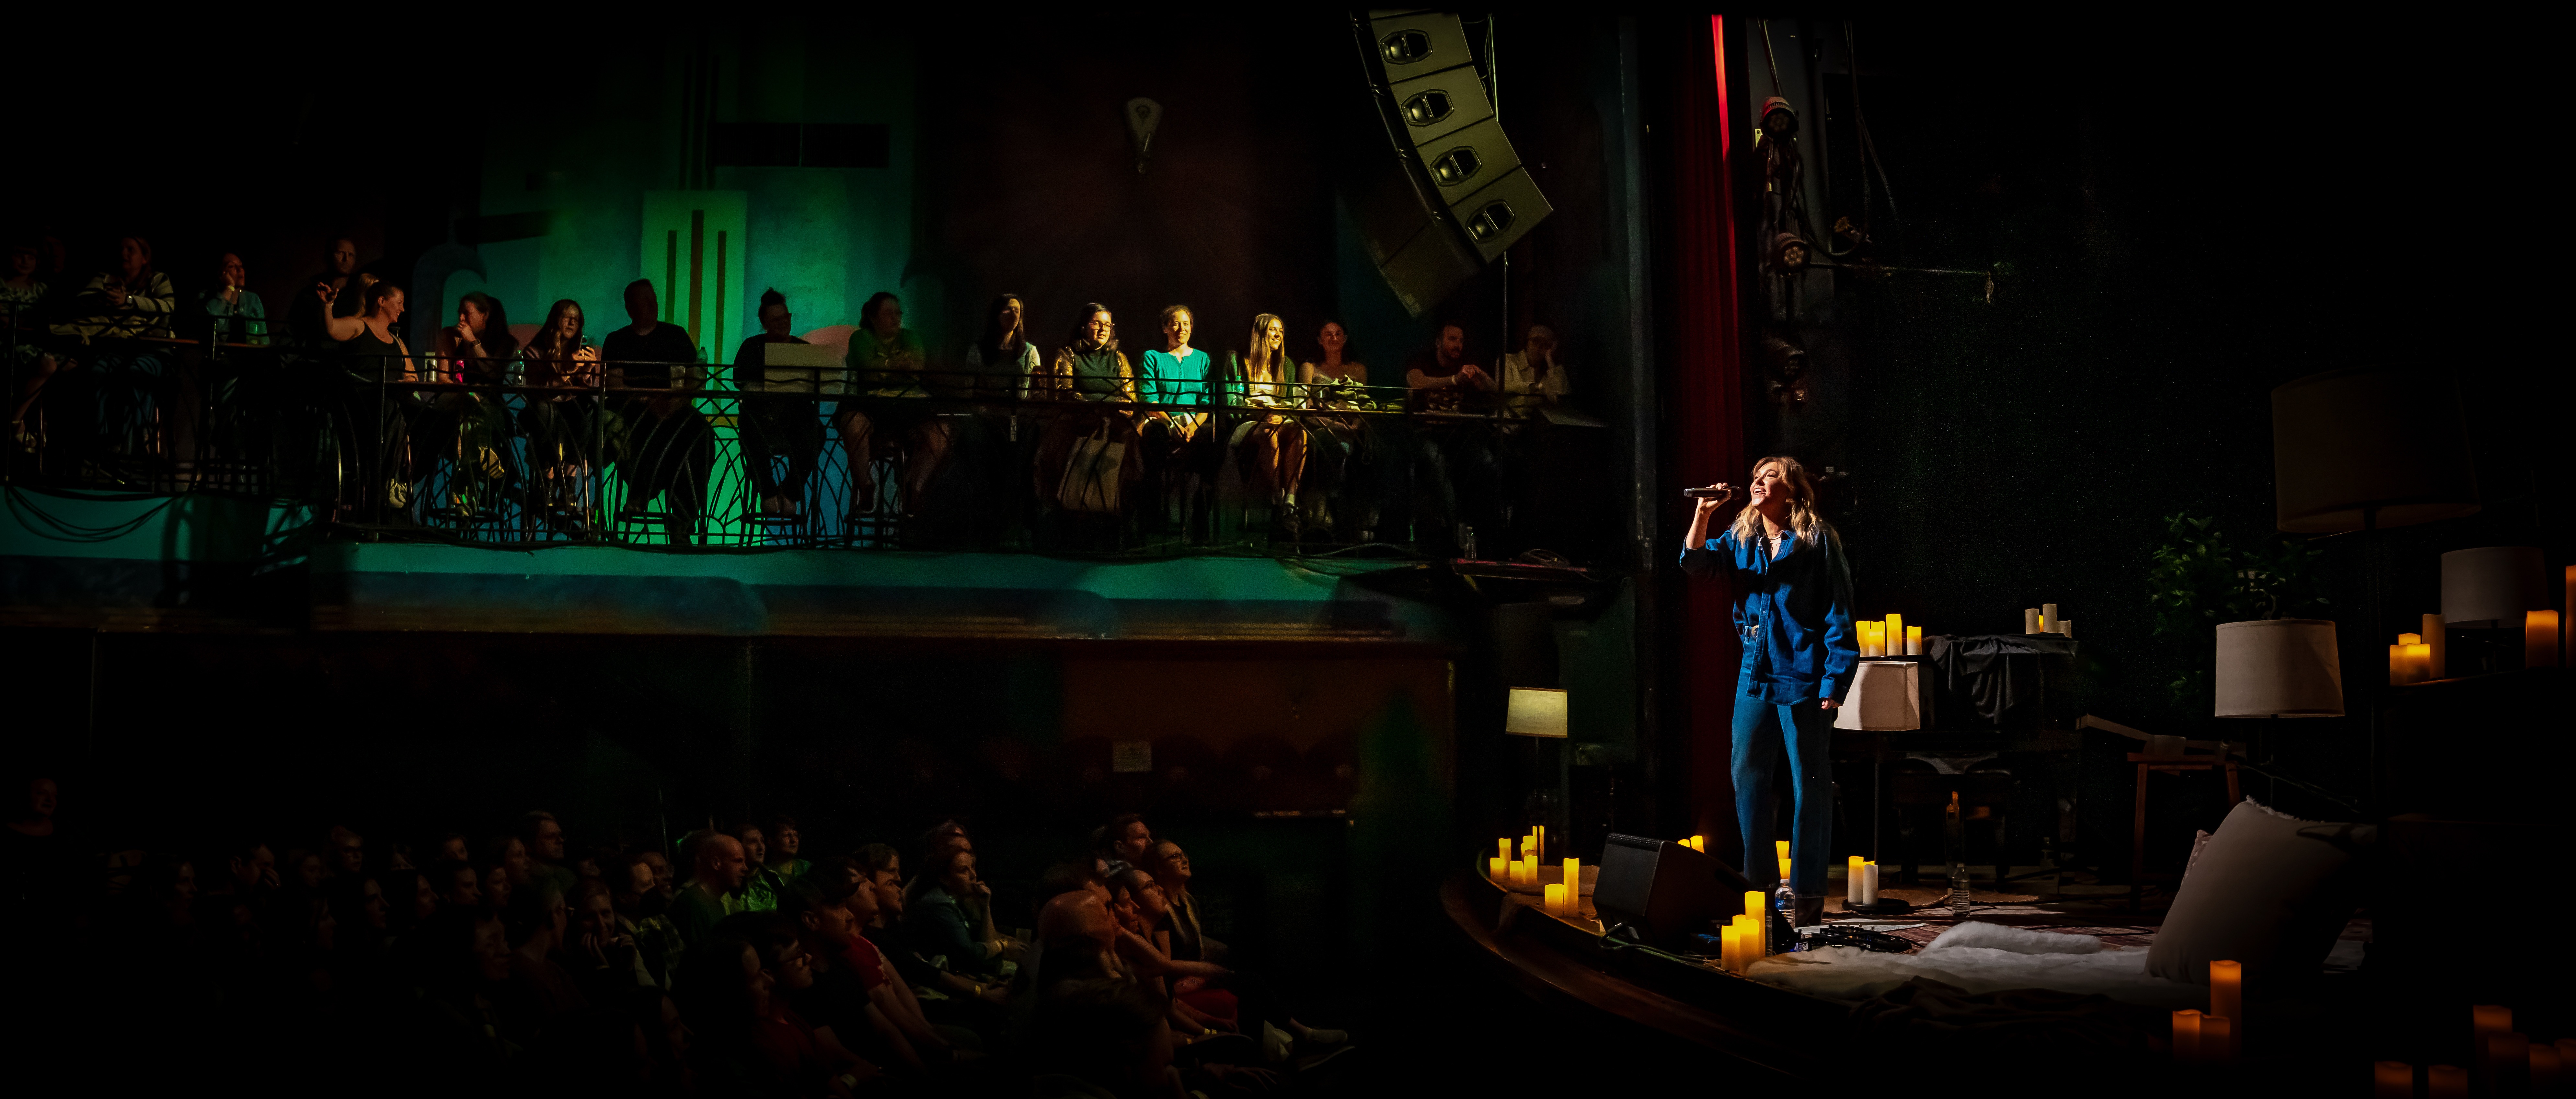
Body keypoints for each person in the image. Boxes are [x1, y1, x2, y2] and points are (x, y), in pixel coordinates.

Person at [1678, 455, 1857, 929]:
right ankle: (1757, 887)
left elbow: (1839, 610)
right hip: (1755, 671)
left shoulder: (1818, 540)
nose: (1758, 482)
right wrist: (1703, 513)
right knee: (1747, 773)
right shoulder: (1743, 537)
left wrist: (1835, 678)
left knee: (1809, 783)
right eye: (1755, 477)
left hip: (1804, 672)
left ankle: (1807, 894)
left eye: (1770, 476)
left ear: (1792, 490)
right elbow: (1696, 564)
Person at [604, 279, 713, 544]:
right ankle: (647, 493)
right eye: (644, 300)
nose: (652, 304)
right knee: (654, 430)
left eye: (653, 298)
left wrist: (676, 401)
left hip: (675, 408)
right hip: (633, 410)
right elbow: (614, 384)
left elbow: (692, 379)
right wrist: (647, 399)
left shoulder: (676, 335)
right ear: (630, 308)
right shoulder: (617, 340)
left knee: (702, 433)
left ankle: (682, 516)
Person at [1030, 303, 1143, 539]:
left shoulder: (1119, 358)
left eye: (1107, 325)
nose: (1103, 329)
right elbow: (1065, 393)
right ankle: (1070, 514)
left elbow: (1130, 398)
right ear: (1084, 327)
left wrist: (1105, 405)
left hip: (1114, 422)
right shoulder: (1068, 355)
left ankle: (1120, 515)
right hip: (1077, 421)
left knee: (1130, 441)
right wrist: (1103, 403)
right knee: (1064, 445)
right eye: (1097, 323)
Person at [839, 291, 948, 518]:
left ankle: (914, 488)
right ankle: (865, 485)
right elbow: (867, 368)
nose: (895, 318)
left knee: (941, 432)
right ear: (873, 317)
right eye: (888, 313)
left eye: (898, 313)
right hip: (871, 407)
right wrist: (895, 365)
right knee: (852, 423)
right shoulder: (861, 338)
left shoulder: (911, 337)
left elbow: (916, 367)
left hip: (910, 407)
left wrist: (883, 368)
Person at [1405, 322, 1501, 556]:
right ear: (1439, 342)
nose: (1458, 345)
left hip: (1459, 435)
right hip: (1426, 433)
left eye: (1461, 340)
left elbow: (1496, 391)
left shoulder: (1466, 364)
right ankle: (1453, 528)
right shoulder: (1423, 361)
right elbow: (1417, 382)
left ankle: (1488, 536)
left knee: (1487, 463)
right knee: (1435, 461)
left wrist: (1483, 377)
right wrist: (1454, 381)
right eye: (1452, 339)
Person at [731, 288, 821, 518]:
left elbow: (817, 387)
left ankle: (790, 491)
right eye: (776, 320)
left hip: (795, 422)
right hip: (761, 419)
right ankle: (768, 491)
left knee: (817, 432)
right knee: (750, 427)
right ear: (765, 324)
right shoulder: (752, 347)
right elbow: (740, 381)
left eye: (786, 317)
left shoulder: (804, 350)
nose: (783, 323)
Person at [517, 299, 602, 534]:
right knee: (546, 412)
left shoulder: (580, 350)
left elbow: (585, 388)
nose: (572, 322)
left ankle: (568, 481)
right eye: (567, 317)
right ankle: (547, 480)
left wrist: (588, 368)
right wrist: (569, 370)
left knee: (588, 411)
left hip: (570, 407)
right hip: (542, 406)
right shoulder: (535, 351)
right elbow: (538, 390)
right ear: (556, 320)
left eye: (577, 319)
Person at [1221, 313, 1307, 535]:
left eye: (1281, 331)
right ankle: (1277, 497)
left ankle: (1290, 502)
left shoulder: (1286, 365)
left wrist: (1281, 414)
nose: (1278, 335)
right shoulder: (1236, 361)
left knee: (1300, 432)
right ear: (1259, 333)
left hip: (1279, 419)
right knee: (1269, 433)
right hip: (1247, 422)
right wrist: (1259, 413)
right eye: (1272, 330)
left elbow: (1293, 404)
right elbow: (1230, 405)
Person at [1298, 319, 1379, 540]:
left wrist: (1355, 426)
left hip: (1354, 429)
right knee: (1331, 444)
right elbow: (1306, 409)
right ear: (1319, 340)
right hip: (1321, 427)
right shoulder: (1310, 368)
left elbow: (1364, 405)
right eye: (1328, 334)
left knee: (1373, 450)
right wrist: (1337, 425)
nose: (1334, 338)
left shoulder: (1358, 370)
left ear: (1345, 338)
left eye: (1338, 333)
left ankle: (1362, 520)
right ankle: (1323, 510)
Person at [1136, 305, 1210, 533]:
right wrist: (1174, 423)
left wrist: (1193, 427)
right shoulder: (1153, 358)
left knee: (1213, 437)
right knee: (1156, 434)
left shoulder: (1203, 359)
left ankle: (1200, 514)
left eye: (1186, 324)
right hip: (1161, 419)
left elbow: (1206, 403)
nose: (1182, 329)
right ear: (1165, 328)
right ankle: (1156, 514)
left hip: (1193, 422)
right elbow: (1150, 400)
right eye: (1176, 324)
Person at [903, 847, 1009, 981]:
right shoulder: (939, 903)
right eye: (964, 871)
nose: (973, 875)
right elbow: (970, 954)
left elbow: (987, 945)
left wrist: (985, 908)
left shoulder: (960, 901)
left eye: (973, 867)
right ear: (945, 879)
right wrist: (1003, 945)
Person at [5, 240, 59, 452]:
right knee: (47, 365)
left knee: (70, 366)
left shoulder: (42, 289)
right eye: (19, 255)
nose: (25, 261)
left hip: (34, 343)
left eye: (31, 257)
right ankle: (17, 421)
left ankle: (40, 426)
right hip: (8, 344)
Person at [671, 830, 749, 946]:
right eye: (738, 861)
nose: (745, 868)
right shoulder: (693, 903)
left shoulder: (716, 901)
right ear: (716, 864)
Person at [1498, 324, 1569, 419]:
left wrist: (1549, 359)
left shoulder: (1549, 372)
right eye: (1535, 342)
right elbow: (1505, 386)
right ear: (1527, 344)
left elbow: (1561, 395)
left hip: (1537, 425)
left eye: (1545, 345)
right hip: (1508, 422)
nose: (1539, 348)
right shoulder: (1508, 360)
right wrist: (1537, 387)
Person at [200, 253, 268, 346]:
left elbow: (264, 339)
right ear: (221, 273)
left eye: (241, 266)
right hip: (218, 354)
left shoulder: (252, 299)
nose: (240, 270)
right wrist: (230, 288)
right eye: (232, 266)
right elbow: (211, 322)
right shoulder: (206, 297)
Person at [764, 815, 812, 881]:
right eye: (787, 835)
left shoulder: (806, 868)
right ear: (771, 842)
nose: (793, 840)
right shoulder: (765, 874)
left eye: (796, 835)